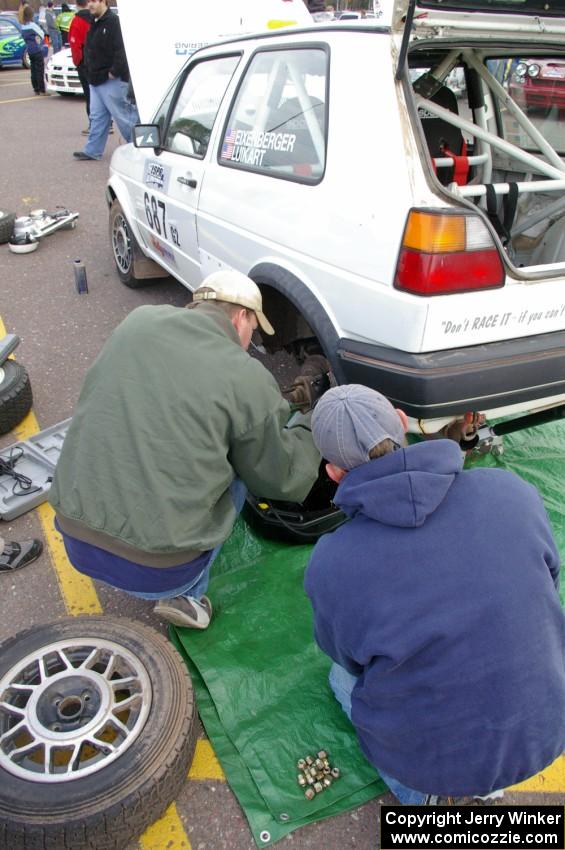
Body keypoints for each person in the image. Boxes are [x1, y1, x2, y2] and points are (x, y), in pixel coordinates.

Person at [304, 384, 565, 805]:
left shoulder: (332, 563)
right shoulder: (510, 491)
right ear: (403, 422)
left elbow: (348, 658)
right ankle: (491, 787)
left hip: (435, 763)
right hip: (547, 729)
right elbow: (549, 587)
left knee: (340, 679)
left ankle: (423, 799)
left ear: (333, 472)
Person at [49, 270, 322, 629]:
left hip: (75, 540)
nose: (249, 341)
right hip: (161, 571)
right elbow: (281, 478)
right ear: (242, 316)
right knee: (245, 462)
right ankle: (186, 596)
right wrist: (311, 423)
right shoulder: (244, 374)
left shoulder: (138, 322)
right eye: (253, 330)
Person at [73, 0, 139, 161]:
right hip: (96, 79)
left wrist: (114, 72)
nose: (90, 5)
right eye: (88, 2)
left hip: (111, 80)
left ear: (104, 2)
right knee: (97, 117)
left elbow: (122, 50)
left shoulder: (114, 22)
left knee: (125, 118)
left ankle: (141, 147)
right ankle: (93, 150)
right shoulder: (95, 22)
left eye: (94, 1)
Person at [69, 0, 93, 134]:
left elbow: (75, 43)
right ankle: (108, 123)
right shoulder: (96, 18)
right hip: (98, 61)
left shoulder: (77, 21)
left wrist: (77, 62)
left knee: (90, 95)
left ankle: (93, 124)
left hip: (84, 63)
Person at [21, 5, 47, 96]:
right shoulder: (33, 25)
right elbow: (42, 34)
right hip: (37, 49)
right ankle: (42, 89)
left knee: (33, 70)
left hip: (29, 50)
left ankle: (35, 88)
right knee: (40, 69)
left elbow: (24, 38)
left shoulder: (23, 26)